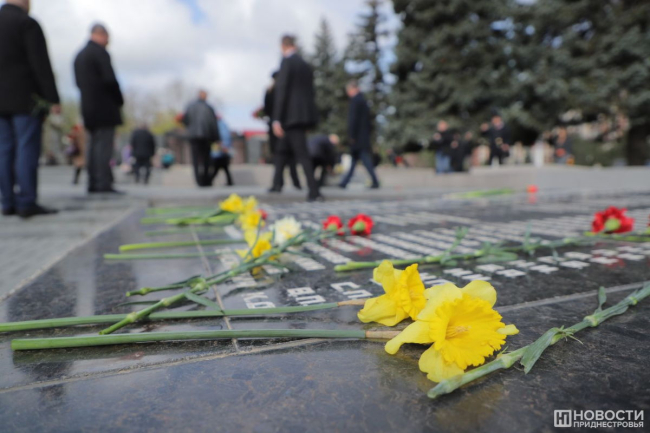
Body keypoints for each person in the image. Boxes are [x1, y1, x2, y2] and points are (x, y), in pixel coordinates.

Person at [0, 0, 60, 218]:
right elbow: (40, 64)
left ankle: (7, 202)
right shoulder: (26, 23)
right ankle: (26, 201)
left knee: (4, 150)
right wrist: (52, 99)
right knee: (26, 148)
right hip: (24, 99)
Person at [271, 35, 322, 202]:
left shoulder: (287, 62)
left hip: (290, 118)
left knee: (302, 154)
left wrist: (277, 119)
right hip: (302, 116)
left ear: (283, 46)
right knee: (281, 151)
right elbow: (311, 92)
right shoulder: (304, 64)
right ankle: (276, 184)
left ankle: (314, 190)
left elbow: (282, 90)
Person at [74, 24, 124, 194]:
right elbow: (110, 80)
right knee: (103, 147)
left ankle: (93, 182)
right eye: (107, 38)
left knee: (92, 146)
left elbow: (78, 83)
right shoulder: (100, 53)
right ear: (101, 35)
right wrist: (119, 100)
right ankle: (103, 183)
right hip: (104, 107)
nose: (108, 42)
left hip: (88, 107)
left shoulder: (80, 55)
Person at [339, 80, 380, 189]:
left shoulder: (355, 101)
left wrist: (352, 136)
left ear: (353, 89)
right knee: (355, 160)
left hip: (357, 138)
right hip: (363, 137)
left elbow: (353, 120)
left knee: (364, 159)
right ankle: (344, 182)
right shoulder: (363, 101)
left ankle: (375, 181)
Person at [264, 72, 301, 191]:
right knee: (289, 156)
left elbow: (266, 110)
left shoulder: (270, 91)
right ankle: (295, 183)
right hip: (287, 126)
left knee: (279, 156)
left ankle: (278, 184)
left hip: (276, 127)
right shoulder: (287, 91)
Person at [182, 90, 221, 187]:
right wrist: (216, 138)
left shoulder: (190, 106)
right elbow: (213, 123)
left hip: (193, 136)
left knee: (195, 159)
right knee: (206, 158)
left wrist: (190, 129)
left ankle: (198, 180)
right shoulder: (209, 107)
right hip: (206, 136)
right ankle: (205, 180)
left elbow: (185, 120)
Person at [210, 116, 234, 186]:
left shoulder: (220, 125)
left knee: (217, 168)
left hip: (220, 150)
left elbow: (225, 136)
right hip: (220, 151)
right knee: (224, 168)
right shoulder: (222, 125)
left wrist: (224, 146)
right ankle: (229, 181)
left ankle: (209, 180)